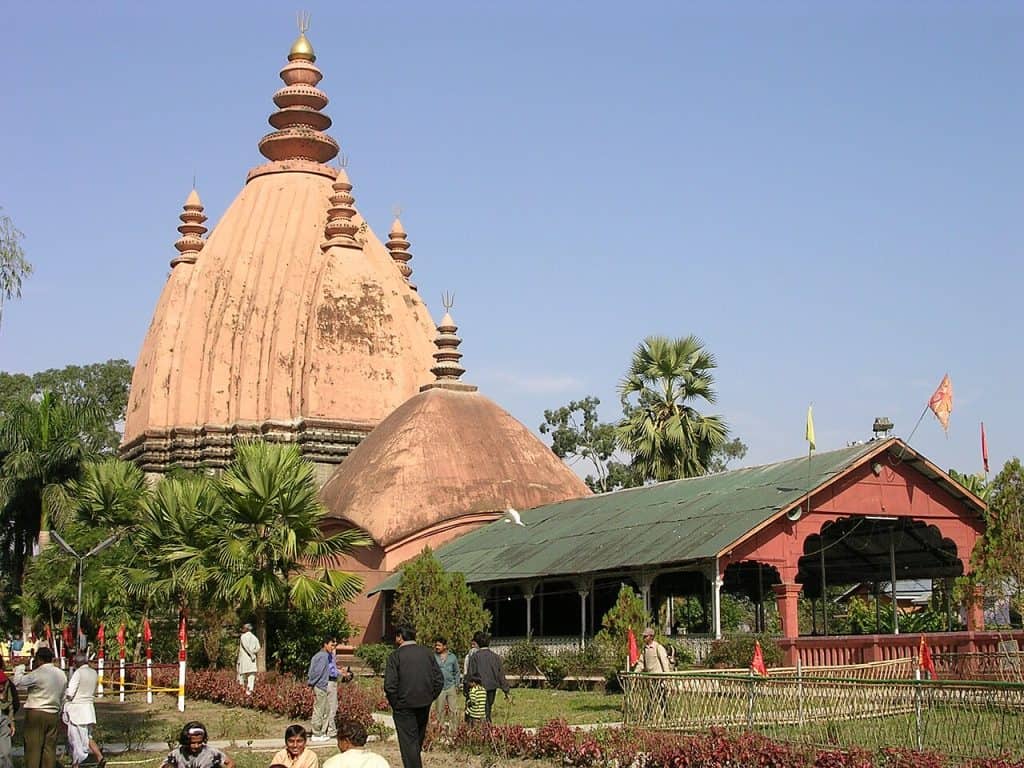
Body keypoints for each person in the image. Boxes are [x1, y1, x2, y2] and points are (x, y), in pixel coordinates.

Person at [383, 626, 443, 768]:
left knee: (408, 744)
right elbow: (439, 680)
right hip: (424, 703)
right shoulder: (427, 653)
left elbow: (390, 685)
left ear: (400, 637)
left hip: (404, 706)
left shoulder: (395, 656)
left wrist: (396, 704)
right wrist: (430, 697)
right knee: (416, 741)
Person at [14, 646, 66, 768]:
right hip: (53, 713)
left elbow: (18, 682)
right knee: (49, 749)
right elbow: (63, 696)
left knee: (33, 749)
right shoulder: (61, 674)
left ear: (39, 659)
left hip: (36, 713)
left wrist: (21, 667)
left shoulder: (38, 673)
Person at [65, 653, 105, 768]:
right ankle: (99, 757)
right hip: (89, 708)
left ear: (77, 663)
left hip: (77, 710)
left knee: (76, 739)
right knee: (87, 737)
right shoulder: (93, 672)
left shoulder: (78, 673)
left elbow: (70, 692)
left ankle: (76, 764)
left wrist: (63, 694)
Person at [465, 632, 509, 723]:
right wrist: (506, 690)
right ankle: (487, 728)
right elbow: (501, 675)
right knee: (487, 709)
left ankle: (481, 731)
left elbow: (470, 674)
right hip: (491, 688)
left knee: (477, 712)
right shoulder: (495, 657)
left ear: (477, 643)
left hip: (478, 688)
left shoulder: (475, 657)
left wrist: (466, 689)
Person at [307, 637, 339, 742]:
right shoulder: (322, 656)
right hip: (320, 686)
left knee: (326, 709)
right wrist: (312, 683)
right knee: (319, 710)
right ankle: (316, 733)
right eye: (331, 645)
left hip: (322, 686)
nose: (332, 647)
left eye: (334, 645)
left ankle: (321, 732)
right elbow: (317, 672)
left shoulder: (324, 655)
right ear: (325, 644)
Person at [165, 721, 235, 768]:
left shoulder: (211, 753)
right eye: (192, 743)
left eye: (199, 742)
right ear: (186, 741)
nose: (196, 746)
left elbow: (230, 763)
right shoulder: (176, 754)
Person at [322, 719, 389, 768]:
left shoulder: (333, 763)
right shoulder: (379, 761)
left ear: (346, 741)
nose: (338, 745)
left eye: (338, 741)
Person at [431, 637, 460, 732]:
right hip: (439, 688)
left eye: (439, 645)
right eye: (436, 645)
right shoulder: (433, 657)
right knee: (439, 710)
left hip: (451, 686)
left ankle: (453, 730)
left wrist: (457, 685)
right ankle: (440, 729)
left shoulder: (452, 657)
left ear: (445, 646)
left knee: (453, 709)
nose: (437, 647)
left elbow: (457, 672)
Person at [0, 658, 19, 768]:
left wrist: (11, 722)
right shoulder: (6, 679)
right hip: (4, 718)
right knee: (5, 753)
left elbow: (11, 702)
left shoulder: (5, 680)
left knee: (5, 753)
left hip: (4, 717)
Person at [236, 623, 260, 695]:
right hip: (252, 661)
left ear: (245, 629)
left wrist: (251, 654)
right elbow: (258, 648)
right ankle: (249, 693)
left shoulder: (243, 636)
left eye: (243, 628)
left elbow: (245, 646)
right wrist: (253, 653)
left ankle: (241, 694)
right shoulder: (255, 637)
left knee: (241, 677)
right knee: (251, 678)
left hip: (244, 660)